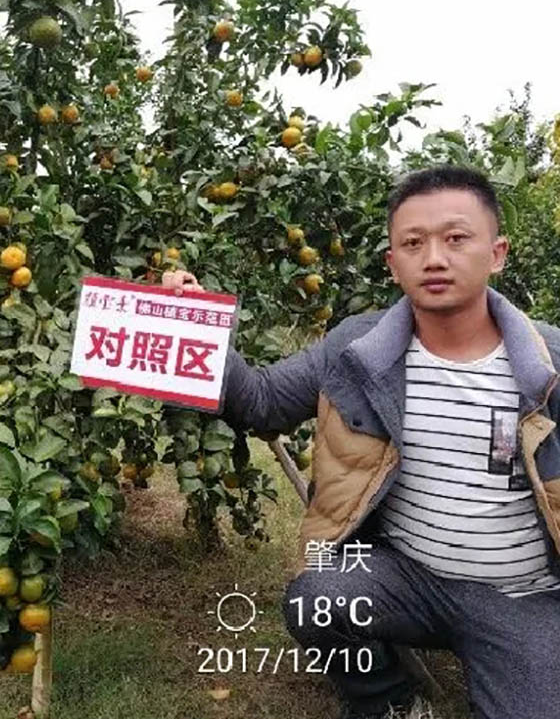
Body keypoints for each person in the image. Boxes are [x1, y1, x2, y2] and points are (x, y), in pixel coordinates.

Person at [162, 165, 560, 719]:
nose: (435, 258)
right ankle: (390, 702)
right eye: (413, 243)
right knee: (316, 599)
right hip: (408, 576)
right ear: (392, 264)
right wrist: (194, 327)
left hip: (525, 596)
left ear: (497, 253)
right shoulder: (360, 347)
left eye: (456, 238)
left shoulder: (549, 363)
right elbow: (262, 401)